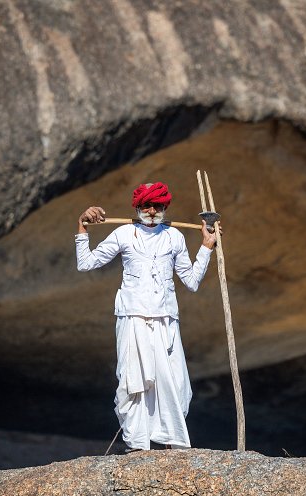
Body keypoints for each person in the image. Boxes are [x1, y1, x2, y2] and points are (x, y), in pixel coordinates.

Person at [75, 181, 219, 452]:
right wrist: (82, 226)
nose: (152, 210)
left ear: (165, 207)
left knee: (176, 383)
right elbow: (85, 263)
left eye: (157, 205)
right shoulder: (123, 234)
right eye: (147, 205)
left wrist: (207, 246)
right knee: (132, 381)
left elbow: (191, 281)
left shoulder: (174, 237)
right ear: (138, 207)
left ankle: (170, 442)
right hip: (132, 316)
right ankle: (137, 445)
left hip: (166, 317)